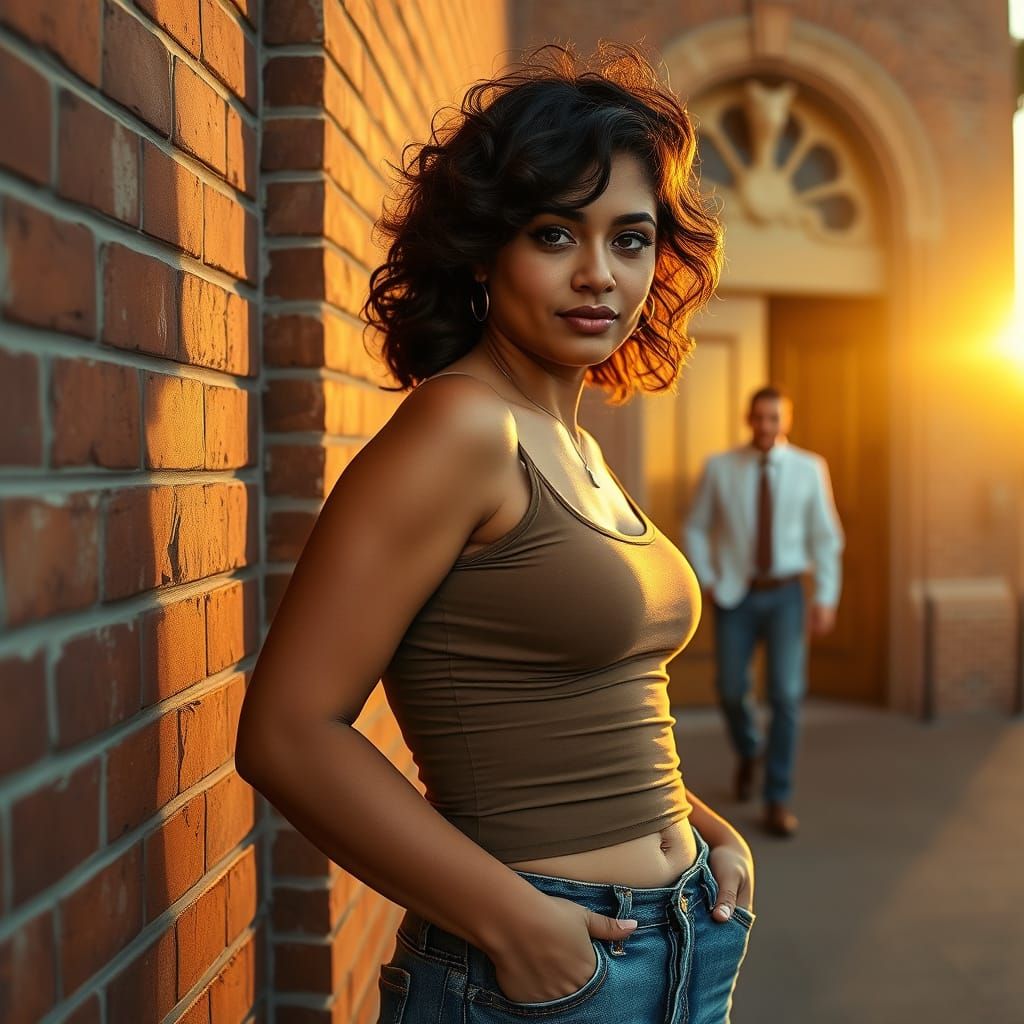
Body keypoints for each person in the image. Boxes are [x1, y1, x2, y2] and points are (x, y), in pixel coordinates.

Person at [236, 44, 756, 1024]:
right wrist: (518, 926)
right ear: (485, 247)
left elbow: (590, 701)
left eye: (631, 239)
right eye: (555, 234)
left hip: (686, 939)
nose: (599, 274)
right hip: (548, 977)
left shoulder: (571, 439)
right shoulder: (459, 429)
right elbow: (286, 731)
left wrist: (703, 828)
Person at [683, 387, 844, 838]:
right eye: (759, 417)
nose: (766, 426)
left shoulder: (810, 469)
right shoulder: (720, 467)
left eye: (775, 418)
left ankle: (777, 798)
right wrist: (708, 577)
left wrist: (826, 597)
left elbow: (826, 537)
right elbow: (695, 526)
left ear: (785, 420)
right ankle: (750, 750)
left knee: (786, 696)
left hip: (787, 596)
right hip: (736, 594)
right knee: (732, 690)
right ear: (748, 419)